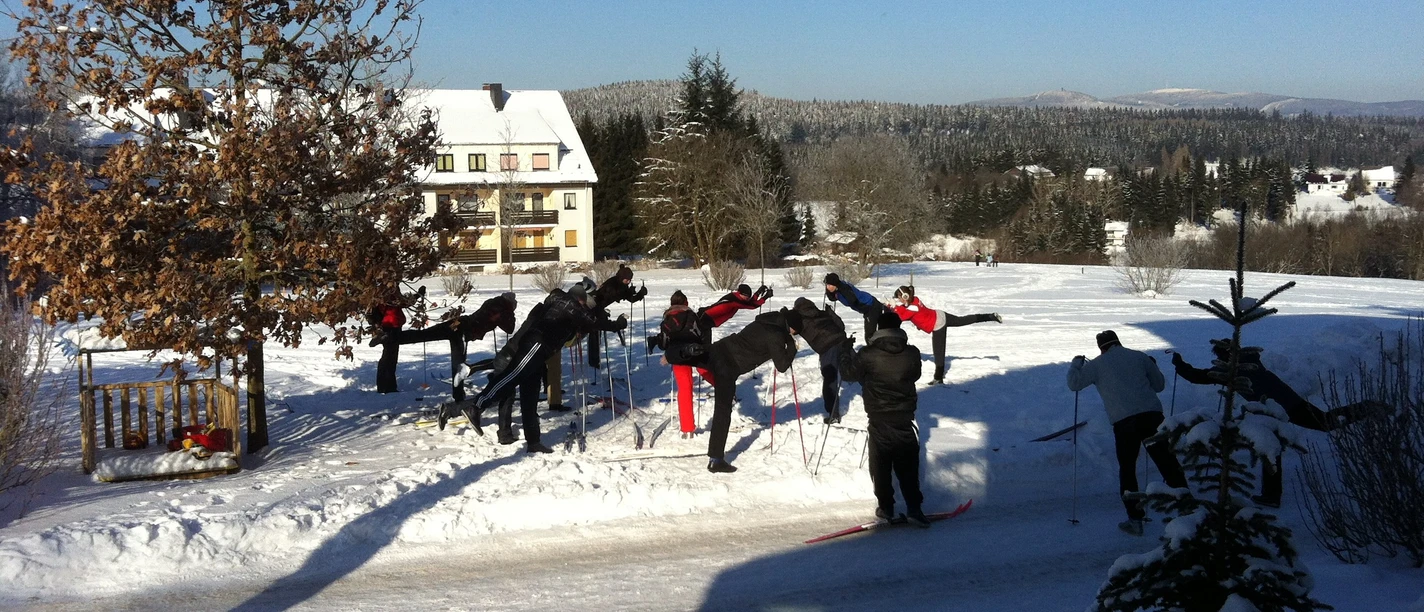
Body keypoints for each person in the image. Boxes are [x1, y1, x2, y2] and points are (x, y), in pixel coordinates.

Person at [1171, 339, 1387, 508]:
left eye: (1220, 357)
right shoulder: (1251, 362)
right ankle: (1369, 407)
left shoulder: (1234, 371)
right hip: (1289, 402)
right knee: (1323, 423)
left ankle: (1272, 496)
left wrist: (1179, 363)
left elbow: (1198, 376)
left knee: (1272, 447)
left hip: (1279, 408)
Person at [447, 281, 626, 453]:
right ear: (578, 299)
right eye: (583, 302)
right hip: (536, 344)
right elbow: (593, 321)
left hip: (541, 351)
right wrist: (618, 324)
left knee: (530, 397)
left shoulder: (558, 300)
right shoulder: (570, 305)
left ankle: (533, 442)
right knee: (511, 376)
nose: (584, 305)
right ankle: (476, 406)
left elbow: (580, 318)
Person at [1067, 330, 1188, 536]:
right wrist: (1153, 367)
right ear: (1118, 342)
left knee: (1128, 469)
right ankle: (1187, 510)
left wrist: (1076, 364)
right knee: (1167, 463)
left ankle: (1135, 520)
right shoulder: (1139, 356)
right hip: (1152, 417)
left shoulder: (1096, 364)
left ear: (1101, 348)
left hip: (1125, 423)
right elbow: (1159, 386)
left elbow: (1074, 384)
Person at [837, 311, 931, 527]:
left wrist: (844, 352)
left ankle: (886, 507)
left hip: (879, 416)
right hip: (904, 416)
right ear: (899, 328)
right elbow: (915, 375)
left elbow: (849, 374)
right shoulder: (912, 353)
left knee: (880, 463)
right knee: (908, 464)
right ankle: (914, 508)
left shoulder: (868, 354)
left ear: (879, 328)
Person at [704, 308, 799, 473]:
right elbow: (782, 365)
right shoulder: (775, 335)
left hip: (719, 350)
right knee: (723, 411)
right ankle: (716, 460)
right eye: (794, 332)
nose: (793, 334)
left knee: (689, 358)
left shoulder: (767, 322)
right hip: (727, 364)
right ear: (791, 327)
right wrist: (791, 347)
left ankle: (672, 353)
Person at [400, 292, 517, 401]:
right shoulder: (503, 310)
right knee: (459, 364)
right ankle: (458, 396)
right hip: (463, 332)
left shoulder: (491, 302)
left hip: (458, 322)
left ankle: (396, 337)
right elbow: (510, 329)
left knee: (428, 333)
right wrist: (511, 312)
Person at [890, 286, 1002, 385]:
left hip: (938, 324)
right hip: (939, 314)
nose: (899, 300)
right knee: (962, 320)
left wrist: (894, 307)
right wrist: (893, 306)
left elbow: (902, 316)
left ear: (905, 296)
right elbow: (905, 309)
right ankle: (990, 316)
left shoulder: (913, 307)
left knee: (938, 351)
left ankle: (938, 378)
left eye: (899, 298)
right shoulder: (915, 299)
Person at [649, 290, 714, 437]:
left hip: (678, 355)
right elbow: (703, 334)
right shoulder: (693, 316)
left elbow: (664, 344)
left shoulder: (667, 319)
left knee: (684, 389)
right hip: (695, 351)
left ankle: (687, 428)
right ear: (686, 303)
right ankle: (725, 390)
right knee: (706, 371)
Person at [790, 297, 850, 423]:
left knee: (830, 379)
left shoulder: (798, 318)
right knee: (858, 369)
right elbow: (841, 325)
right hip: (843, 340)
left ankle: (833, 414)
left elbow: (791, 330)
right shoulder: (822, 313)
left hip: (827, 346)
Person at [367, 285, 423, 394]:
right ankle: (387, 387)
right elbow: (402, 302)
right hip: (388, 326)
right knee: (389, 357)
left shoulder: (392, 288)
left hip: (394, 326)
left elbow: (403, 302)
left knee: (390, 356)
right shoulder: (384, 290)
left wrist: (417, 295)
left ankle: (386, 386)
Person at [824, 273, 885, 339]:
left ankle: (877, 344)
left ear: (835, 284)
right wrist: (831, 293)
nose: (827, 287)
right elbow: (832, 298)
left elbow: (853, 300)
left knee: (870, 336)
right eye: (827, 285)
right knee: (873, 334)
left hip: (871, 306)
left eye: (829, 285)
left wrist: (839, 293)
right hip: (869, 306)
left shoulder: (844, 289)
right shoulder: (838, 288)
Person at [701, 283, 772, 328]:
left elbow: (749, 302)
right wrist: (765, 297)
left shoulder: (735, 296)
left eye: (748, 297)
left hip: (709, 317)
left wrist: (758, 292)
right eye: (746, 297)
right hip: (708, 319)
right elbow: (752, 305)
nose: (747, 299)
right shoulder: (735, 302)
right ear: (740, 293)